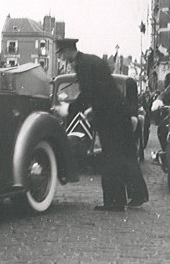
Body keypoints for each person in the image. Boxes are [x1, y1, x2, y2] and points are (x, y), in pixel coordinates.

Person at [53, 38, 148, 211]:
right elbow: (101, 91)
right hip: (119, 113)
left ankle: (114, 202)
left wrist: (69, 109)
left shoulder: (81, 65)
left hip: (110, 117)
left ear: (67, 51)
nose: (61, 58)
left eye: (60, 54)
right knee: (127, 155)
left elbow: (88, 93)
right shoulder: (91, 60)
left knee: (111, 158)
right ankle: (138, 195)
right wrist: (91, 108)